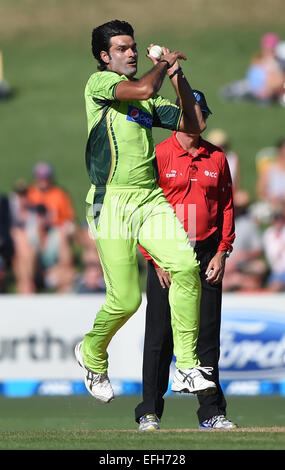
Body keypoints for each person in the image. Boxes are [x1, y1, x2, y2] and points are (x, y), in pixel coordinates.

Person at [74, 19, 216, 404]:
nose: (132, 52)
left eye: (133, 46)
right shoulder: (100, 84)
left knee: (186, 267)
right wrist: (160, 67)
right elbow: (142, 86)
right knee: (126, 300)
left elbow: (195, 123)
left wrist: (177, 75)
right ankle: (91, 352)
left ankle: (187, 365)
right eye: (122, 48)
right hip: (111, 201)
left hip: (149, 198)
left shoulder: (148, 99)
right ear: (105, 57)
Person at [135, 90, 237, 431]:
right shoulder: (159, 154)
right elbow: (142, 207)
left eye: (202, 114)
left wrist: (222, 251)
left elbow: (226, 207)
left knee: (207, 335)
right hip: (167, 252)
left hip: (207, 252)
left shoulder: (216, 157)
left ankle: (211, 413)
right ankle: (149, 411)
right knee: (160, 335)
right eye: (193, 114)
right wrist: (153, 257)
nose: (200, 121)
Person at [223, 190, 267, 292]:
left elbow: (258, 249)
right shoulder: (221, 223)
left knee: (259, 267)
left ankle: (240, 282)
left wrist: (243, 255)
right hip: (224, 264)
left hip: (242, 265)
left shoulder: (248, 224)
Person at [27, 161, 76, 237]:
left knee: (71, 228)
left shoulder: (60, 193)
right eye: (40, 177)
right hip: (35, 227)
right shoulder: (30, 192)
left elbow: (69, 217)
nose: (43, 180)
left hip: (57, 227)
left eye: (46, 177)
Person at [256, 138, 285, 210]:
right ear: (279, 150)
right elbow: (260, 191)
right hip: (271, 203)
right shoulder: (268, 169)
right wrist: (272, 199)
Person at [263, 206, 285, 292]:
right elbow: (272, 255)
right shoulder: (269, 234)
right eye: (276, 220)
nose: (278, 223)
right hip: (275, 270)